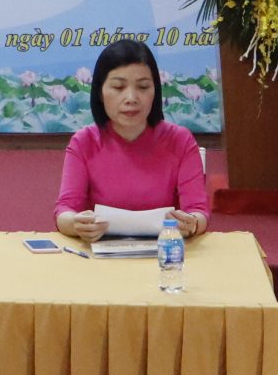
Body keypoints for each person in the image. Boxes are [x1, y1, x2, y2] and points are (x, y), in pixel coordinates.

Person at [56, 40, 210, 243]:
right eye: (118, 87)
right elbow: (64, 211)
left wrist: (192, 223)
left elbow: (199, 212)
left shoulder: (180, 140)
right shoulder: (84, 142)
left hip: (166, 250)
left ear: (155, 91)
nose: (131, 98)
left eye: (143, 87)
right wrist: (76, 224)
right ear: (100, 92)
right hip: (99, 252)